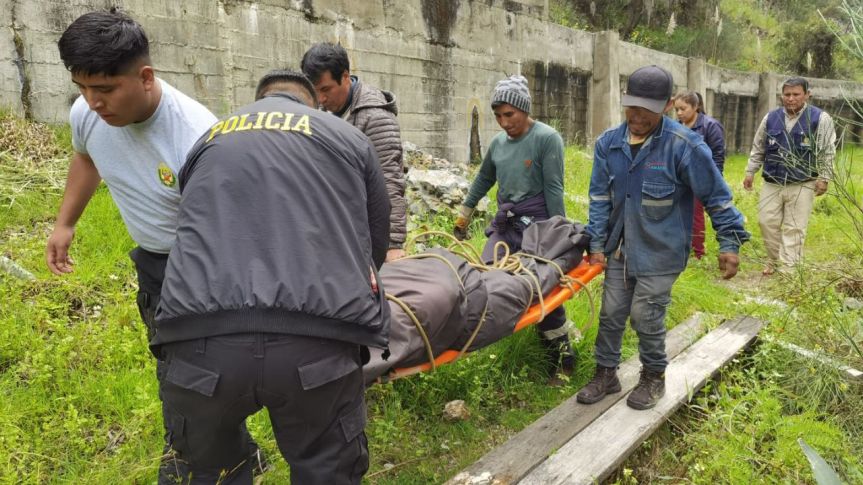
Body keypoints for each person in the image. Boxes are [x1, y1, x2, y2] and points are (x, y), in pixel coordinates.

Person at [44, 10, 264, 482]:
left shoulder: (197, 137)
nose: (92, 102)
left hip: (206, 266)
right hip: (153, 261)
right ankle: (228, 449)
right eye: (83, 88)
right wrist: (65, 224)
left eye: (105, 90)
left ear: (145, 76)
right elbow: (85, 157)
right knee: (172, 361)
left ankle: (205, 464)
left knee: (197, 376)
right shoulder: (87, 113)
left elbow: (236, 225)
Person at [151, 70, 391, 484]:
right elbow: (376, 239)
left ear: (257, 100)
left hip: (200, 344)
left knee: (207, 470)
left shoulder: (208, 139)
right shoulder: (345, 135)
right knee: (327, 467)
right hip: (316, 344)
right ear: (312, 102)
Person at [578, 66, 750, 410]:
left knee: (645, 314)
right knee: (611, 313)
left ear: (669, 105)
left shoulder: (685, 146)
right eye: (631, 107)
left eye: (646, 109)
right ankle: (606, 373)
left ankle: (654, 376)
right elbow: (599, 198)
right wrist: (596, 244)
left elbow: (717, 197)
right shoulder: (608, 144)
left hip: (662, 250)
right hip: (619, 248)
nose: (636, 116)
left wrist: (729, 244)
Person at [452, 74, 576, 383]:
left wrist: (558, 237)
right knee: (485, 280)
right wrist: (464, 214)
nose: (504, 122)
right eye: (498, 116)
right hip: (505, 226)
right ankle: (493, 343)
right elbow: (483, 179)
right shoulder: (497, 144)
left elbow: (554, 190)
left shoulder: (547, 139)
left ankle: (561, 357)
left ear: (524, 109)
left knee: (542, 288)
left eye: (510, 114)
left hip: (537, 227)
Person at [301, 42, 407, 262]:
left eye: (326, 89)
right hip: (335, 227)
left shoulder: (375, 118)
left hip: (365, 230)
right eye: (315, 91)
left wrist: (394, 243)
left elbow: (391, 179)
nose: (320, 99)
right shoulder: (322, 114)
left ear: (346, 77)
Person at [743, 77, 836, 275]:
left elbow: (827, 150)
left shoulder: (820, 118)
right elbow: (759, 146)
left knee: (794, 227)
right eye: (787, 94)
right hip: (772, 181)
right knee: (766, 221)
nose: (791, 99)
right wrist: (750, 171)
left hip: (802, 182)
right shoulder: (771, 117)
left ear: (807, 95)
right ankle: (774, 260)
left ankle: (789, 270)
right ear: (781, 96)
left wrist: (824, 177)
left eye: (796, 94)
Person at [673, 91, 727, 259]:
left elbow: (718, 155)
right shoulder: (676, 127)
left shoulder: (710, 125)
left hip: (700, 178)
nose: (680, 113)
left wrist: (713, 181)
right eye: (677, 110)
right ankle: (679, 249)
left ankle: (697, 253)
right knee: (677, 214)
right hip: (680, 178)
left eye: (683, 108)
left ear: (696, 107)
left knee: (695, 216)